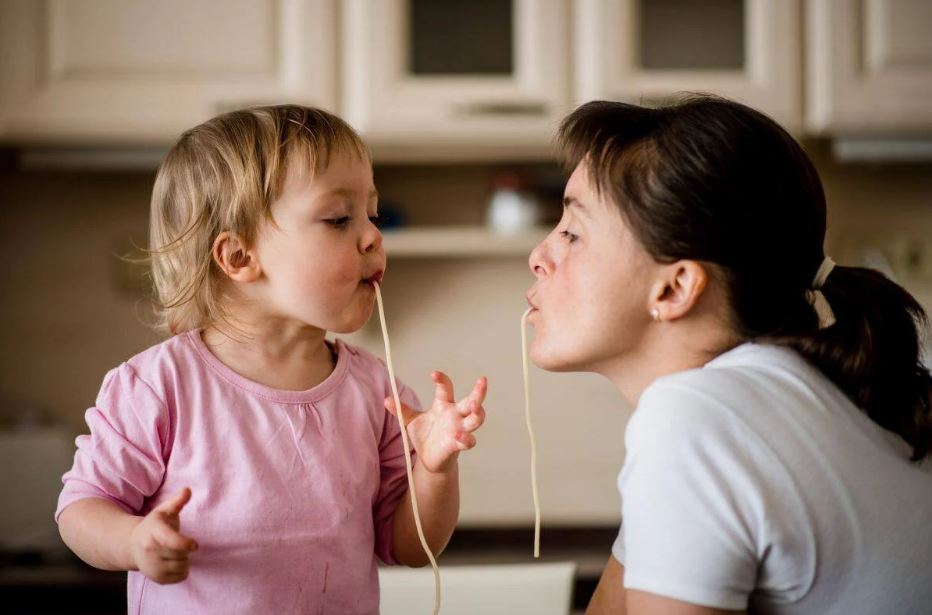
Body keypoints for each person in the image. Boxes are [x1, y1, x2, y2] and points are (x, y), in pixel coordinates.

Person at [55, 105, 488, 614]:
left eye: (372, 214)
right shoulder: (159, 385)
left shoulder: (378, 393)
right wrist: (134, 541)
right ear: (240, 258)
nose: (372, 235)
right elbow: (80, 511)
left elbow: (412, 548)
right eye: (339, 219)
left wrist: (435, 471)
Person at [525, 96, 932, 614]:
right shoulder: (765, 396)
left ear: (674, 289)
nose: (539, 257)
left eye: (572, 233)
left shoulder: (696, 421)